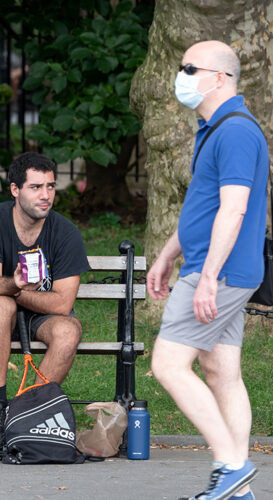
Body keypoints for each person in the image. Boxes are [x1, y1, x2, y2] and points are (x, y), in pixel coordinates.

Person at [147, 40, 267, 500]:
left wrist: (209, 277)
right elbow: (205, 206)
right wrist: (166, 253)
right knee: (220, 371)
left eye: (190, 68)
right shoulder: (216, 128)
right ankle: (238, 491)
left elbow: (233, 211)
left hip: (219, 271)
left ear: (220, 78)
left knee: (168, 365)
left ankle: (231, 465)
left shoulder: (235, 132)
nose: (181, 75)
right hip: (218, 267)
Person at [0, 152, 90, 452]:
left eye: (50, 186)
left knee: (69, 330)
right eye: (36, 187)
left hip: (41, 316)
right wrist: (9, 287)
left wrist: (17, 292)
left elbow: (62, 304)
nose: (45, 195)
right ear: (15, 189)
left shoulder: (66, 232)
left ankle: (25, 413)